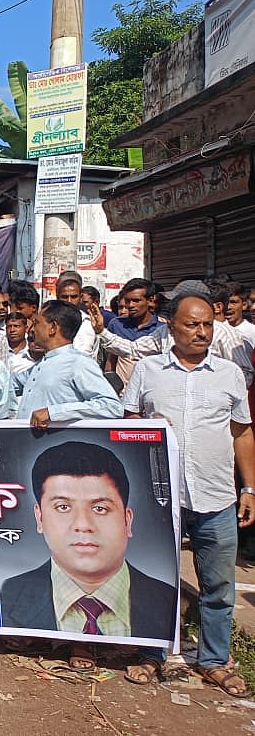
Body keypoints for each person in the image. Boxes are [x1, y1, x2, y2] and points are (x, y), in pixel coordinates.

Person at [121, 292, 255, 696]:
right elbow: (127, 425)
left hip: (216, 496)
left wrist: (249, 486)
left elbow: (242, 432)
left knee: (218, 586)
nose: (202, 332)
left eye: (208, 325)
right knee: (154, 579)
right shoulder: (147, 371)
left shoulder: (229, 374)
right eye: (193, 325)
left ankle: (213, 660)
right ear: (171, 326)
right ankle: (151, 653)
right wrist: (149, 426)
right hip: (161, 498)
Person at [0, 442, 177, 637]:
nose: (83, 525)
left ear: (127, 520)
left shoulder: (167, 600)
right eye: (63, 507)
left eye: (100, 508)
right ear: (40, 518)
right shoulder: (8, 595)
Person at [91, 279, 254, 387]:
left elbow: (245, 374)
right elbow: (133, 349)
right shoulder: (166, 331)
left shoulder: (225, 334)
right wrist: (101, 331)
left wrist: (217, 390)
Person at [15, 301, 123, 426]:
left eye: (36, 323)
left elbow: (112, 406)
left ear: (53, 328)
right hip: (27, 442)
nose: (32, 329)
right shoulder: (41, 365)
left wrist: (54, 412)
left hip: (57, 443)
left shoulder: (79, 363)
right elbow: (12, 382)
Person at [104, 278, 162, 387]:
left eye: (136, 300)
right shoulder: (117, 324)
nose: (130, 305)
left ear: (150, 300)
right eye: (127, 301)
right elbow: (112, 358)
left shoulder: (162, 330)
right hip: (123, 393)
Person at [55, 274, 97, 357]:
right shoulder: (48, 322)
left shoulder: (90, 324)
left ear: (81, 297)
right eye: (65, 297)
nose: (69, 301)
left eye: (74, 297)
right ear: (57, 296)